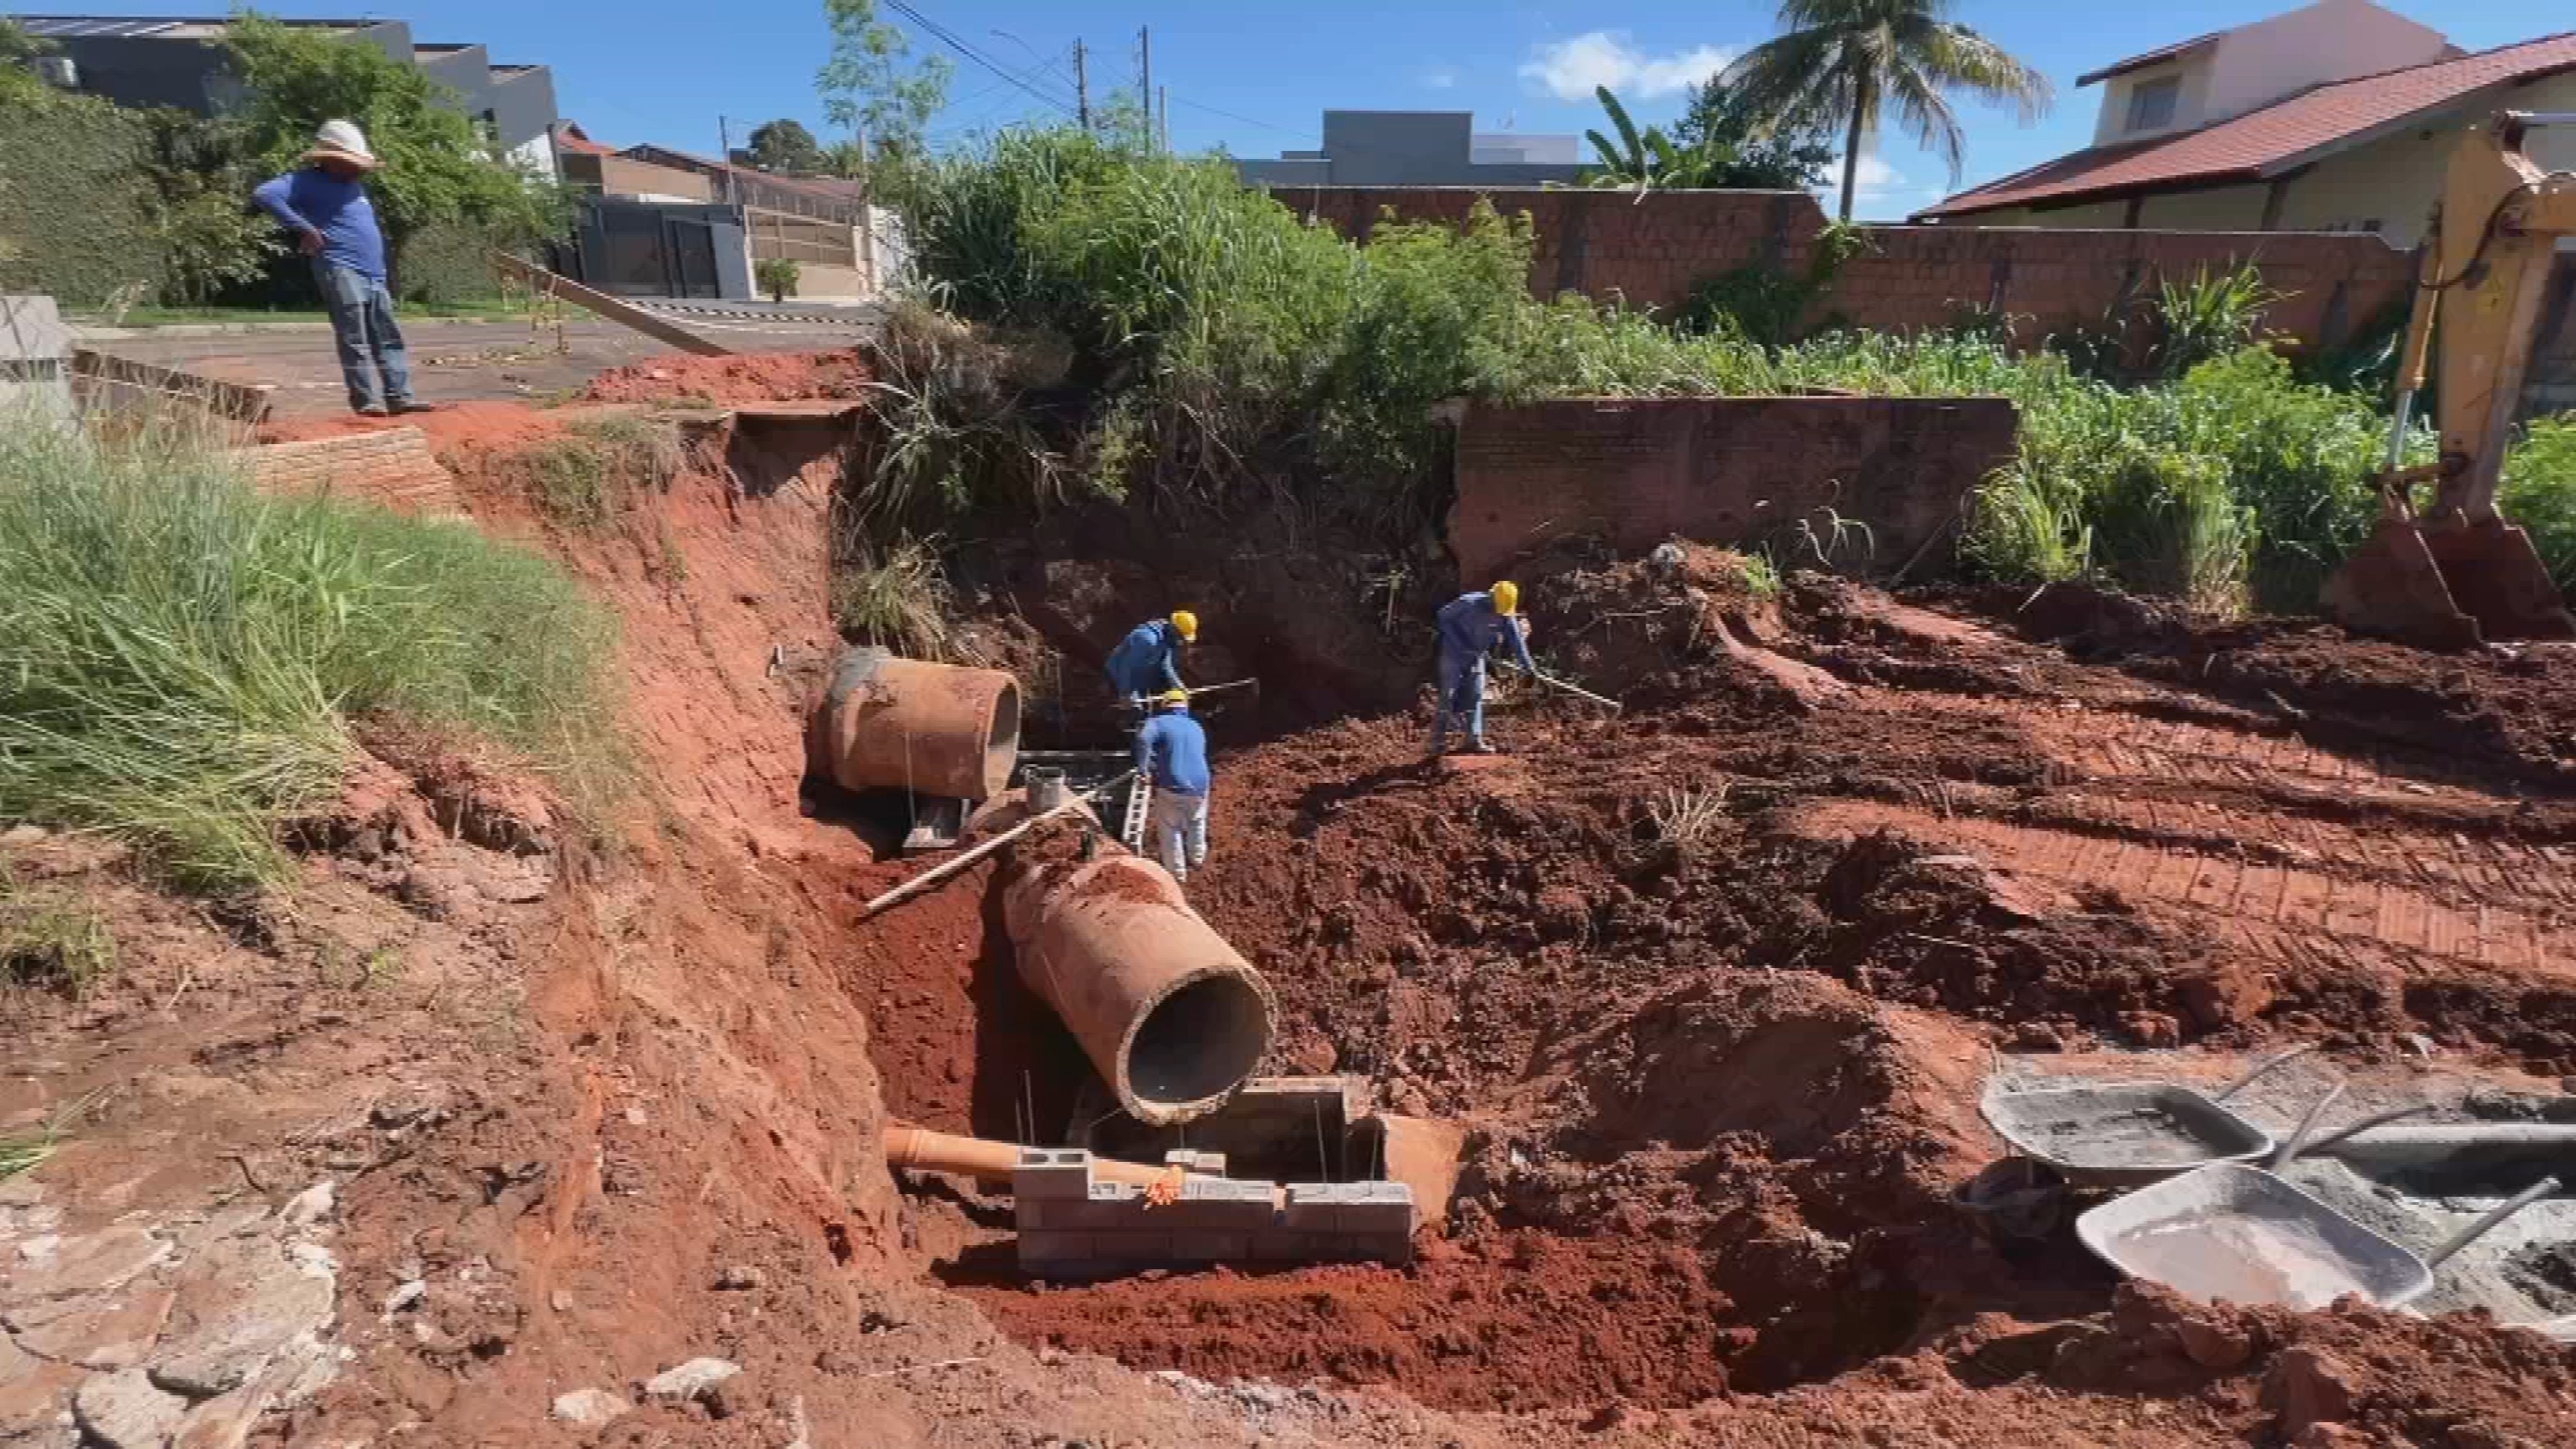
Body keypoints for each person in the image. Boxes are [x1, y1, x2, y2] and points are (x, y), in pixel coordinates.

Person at [251, 120, 431, 419]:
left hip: (373, 273)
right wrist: (304, 228)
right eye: (351, 163)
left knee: (388, 336)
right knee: (354, 336)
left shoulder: (354, 185)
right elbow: (265, 194)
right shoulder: (305, 181)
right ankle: (366, 402)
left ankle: (400, 398)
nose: (359, 170)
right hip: (340, 266)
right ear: (330, 160)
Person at [1430, 580, 1534, 757]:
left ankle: (1473, 740)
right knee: (1448, 695)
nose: (1498, 613)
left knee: (1476, 697)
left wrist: (1528, 668)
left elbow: (1516, 641)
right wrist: (1460, 642)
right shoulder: (1468, 602)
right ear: (1491, 597)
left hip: (1476, 658)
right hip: (1453, 656)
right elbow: (1443, 617)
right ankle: (1436, 742)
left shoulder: (1505, 615)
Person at [1134, 689, 1210, 883]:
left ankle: (1177, 875)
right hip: (1201, 784)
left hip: (1173, 785)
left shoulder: (1157, 723)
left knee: (1170, 827)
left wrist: (1144, 770)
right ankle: (1197, 859)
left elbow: (1143, 739)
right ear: (1185, 706)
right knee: (1197, 820)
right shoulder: (1196, 726)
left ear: (1164, 706)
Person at [1104, 610, 1198, 702]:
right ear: (1174, 629)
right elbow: (1126, 666)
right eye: (1181, 637)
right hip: (1118, 675)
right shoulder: (1149, 640)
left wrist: (1178, 686)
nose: (1181, 642)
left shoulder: (1166, 637)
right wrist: (1125, 693)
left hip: (1138, 675)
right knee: (1133, 708)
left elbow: (1166, 664)